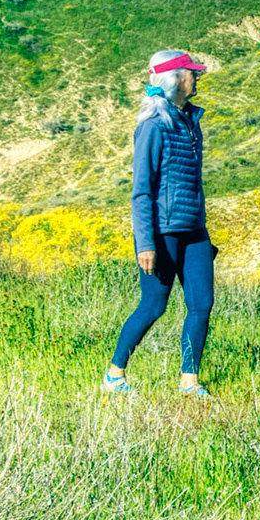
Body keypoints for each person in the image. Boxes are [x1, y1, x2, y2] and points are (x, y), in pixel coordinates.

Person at [104, 50, 217, 398]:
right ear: (176, 80)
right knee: (154, 305)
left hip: (195, 229)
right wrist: (145, 242)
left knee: (202, 305)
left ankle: (189, 381)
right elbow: (141, 191)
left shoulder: (188, 121)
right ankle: (115, 374)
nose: (197, 78)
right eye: (192, 74)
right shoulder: (152, 126)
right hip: (163, 232)